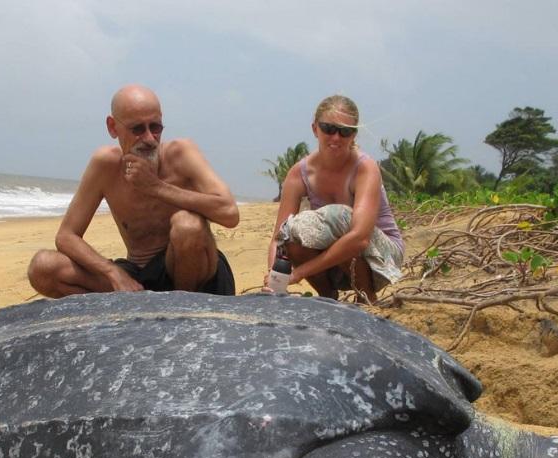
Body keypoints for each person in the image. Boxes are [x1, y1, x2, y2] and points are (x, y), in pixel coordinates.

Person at [29, 85, 240, 298]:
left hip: (194, 276)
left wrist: (156, 187)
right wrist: (112, 272)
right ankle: (145, 303)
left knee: (188, 226)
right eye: (137, 129)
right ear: (113, 128)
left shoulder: (181, 153)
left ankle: (180, 309)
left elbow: (230, 213)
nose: (149, 139)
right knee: (43, 267)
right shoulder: (106, 165)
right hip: (139, 278)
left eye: (155, 127)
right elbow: (66, 236)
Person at [265, 95, 404, 303]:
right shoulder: (299, 174)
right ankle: (327, 296)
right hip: (335, 262)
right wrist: (274, 276)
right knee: (292, 235)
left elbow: (360, 237)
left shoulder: (365, 167)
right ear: (315, 129)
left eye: (344, 131)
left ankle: (366, 297)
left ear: (353, 135)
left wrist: (299, 272)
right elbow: (279, 236)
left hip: (382, 259)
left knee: (340, 216)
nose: (336, 137)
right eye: (329, 129)